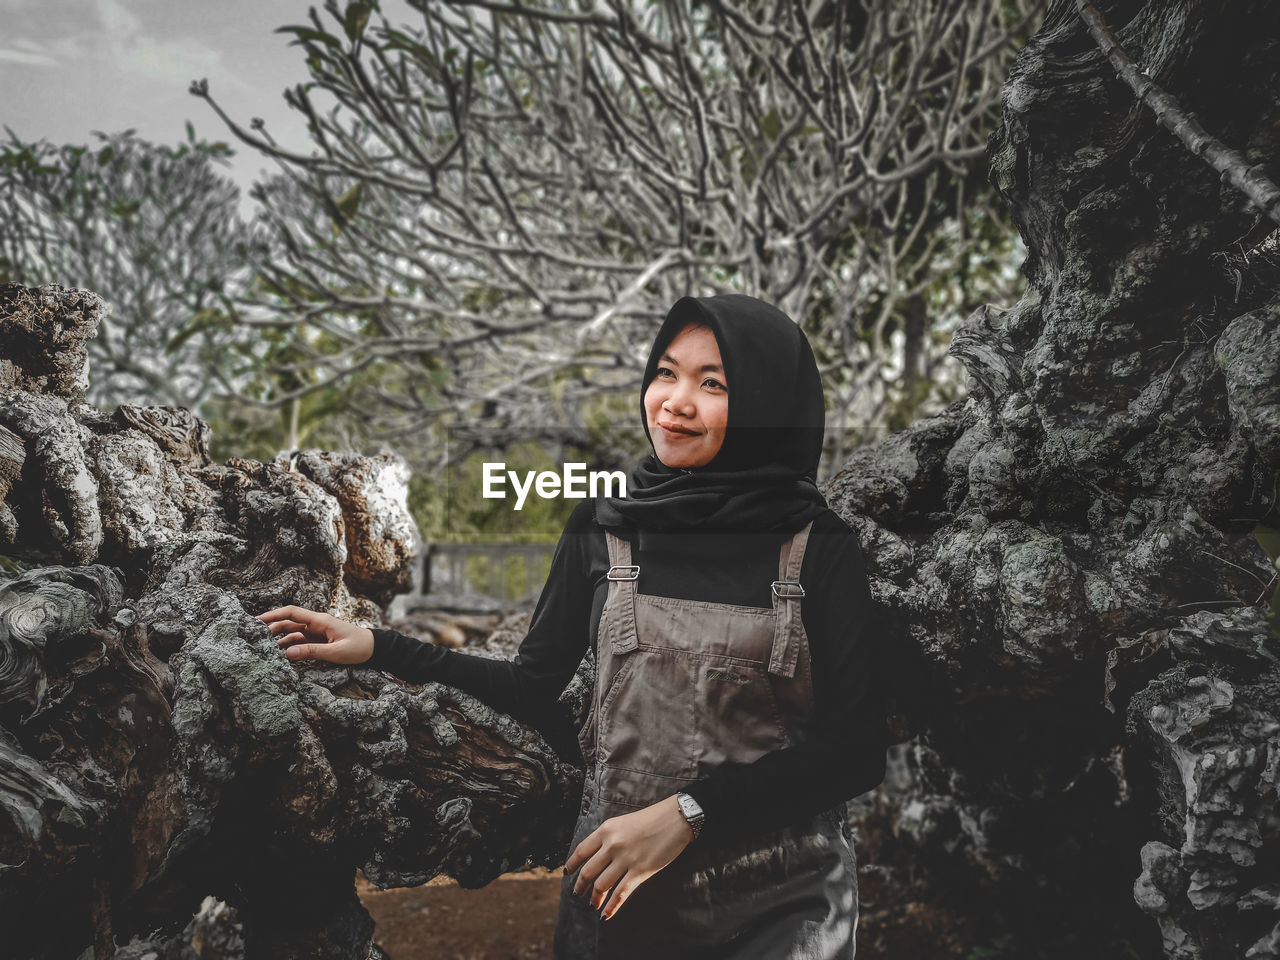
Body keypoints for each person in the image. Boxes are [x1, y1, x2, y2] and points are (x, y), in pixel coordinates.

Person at [256, 294, 887, 959]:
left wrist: (691, 813)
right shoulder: (604, 526)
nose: (673, 401)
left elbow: (854, 751)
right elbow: (534, 686)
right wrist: (382, 647)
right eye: (665, 373)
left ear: (766, 404)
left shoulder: (816, 546)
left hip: (782, 904)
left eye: (714, 384)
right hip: (621, 901)